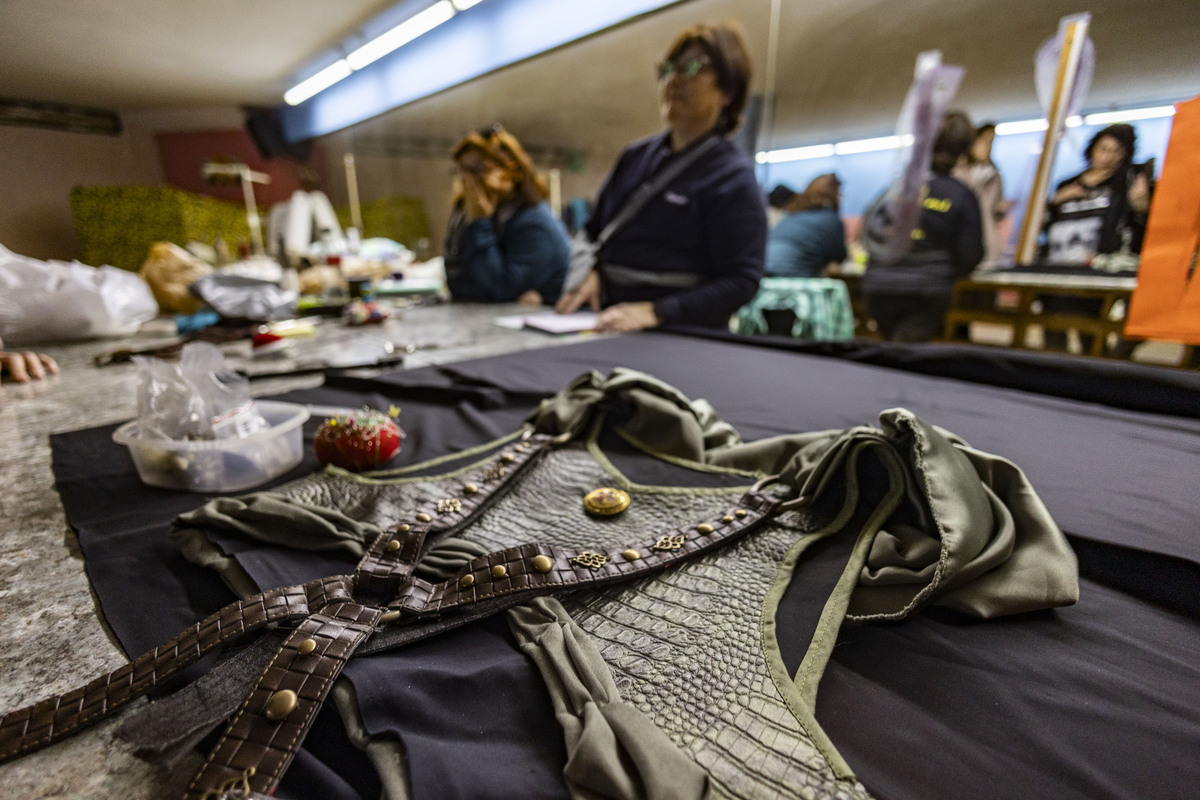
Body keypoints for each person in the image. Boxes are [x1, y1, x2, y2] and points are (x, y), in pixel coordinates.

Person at [555, 21, 767, 332]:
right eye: (668, 69)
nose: (674, 79)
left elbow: (741, 280)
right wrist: (590, 272)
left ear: (728, 91)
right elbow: (592, 230)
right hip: (607, 321)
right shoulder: (634, 157)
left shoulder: (731, 176)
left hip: (680, 336)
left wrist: (658, 312)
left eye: (693, 67)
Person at [862, 111, 984, 342]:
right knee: (907, 352)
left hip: (879, 284)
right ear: (964, 149)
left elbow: (869, 233)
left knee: (891, 345)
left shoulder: (896, 188)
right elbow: (970, 254)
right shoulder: (961, 195)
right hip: (927, 289)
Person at [444, 124, 570, 306]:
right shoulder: (465, 216)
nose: (468, 182)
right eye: (462, 171)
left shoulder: (536, 223)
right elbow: (456, 281)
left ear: (511, 171)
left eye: (478, 170)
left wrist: (480, 223)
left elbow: (499, 289)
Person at [1042, 123, 1152, 267]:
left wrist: (1142, 208)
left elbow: (1143, 227)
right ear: (1092, 148)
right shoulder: (1066, 184)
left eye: (1117, 151)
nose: (1108, 157)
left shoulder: (1129, 182)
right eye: (1103, 149)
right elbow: (1043, 226)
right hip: (1061, 263)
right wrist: (1055, 202)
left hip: (1106, 265)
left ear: (1125, 154)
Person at [764, 173, 847, 278]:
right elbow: (839, 257)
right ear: (835, 194)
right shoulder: (831, 218)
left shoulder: (793, 214)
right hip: (796, 279)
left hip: (764, 275)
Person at [953, 123, 1008, 266]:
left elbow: (995, 212)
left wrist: (1000, 210)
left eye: (991, 142)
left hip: (989, 242)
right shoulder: (957, 173)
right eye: (984, 141)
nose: (988, 147)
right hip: (964, 243)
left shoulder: (995, 175)